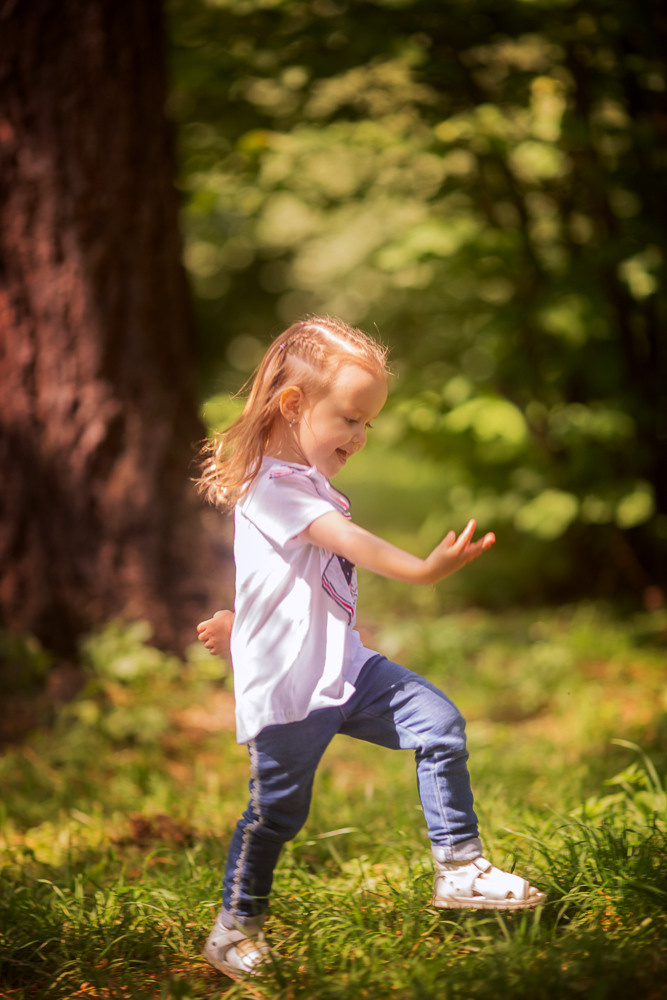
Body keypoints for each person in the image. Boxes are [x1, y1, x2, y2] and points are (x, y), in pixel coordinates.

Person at [195, 316, 545, 979]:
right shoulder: (274, 488)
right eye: (350, 419)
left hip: (348, 669)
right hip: (293, 692)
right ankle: (234, 928)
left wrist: (239, 625)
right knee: (276, 815)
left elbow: (284, 581)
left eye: (368, 424)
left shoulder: (307, 484)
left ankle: (459, 866)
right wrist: (422, 570)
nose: (359, 437)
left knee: (438, 723)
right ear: (292, 405)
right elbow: (345, 543)